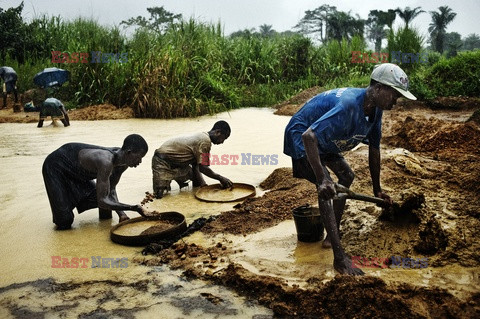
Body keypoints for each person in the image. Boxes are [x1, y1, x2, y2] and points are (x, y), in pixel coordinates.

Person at [283, 63, 417, 275]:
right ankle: (338, 257)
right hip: (301, 136)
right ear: (379, 88)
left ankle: (330, 235)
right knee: (327, 187)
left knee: (347, 175)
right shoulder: (348, 106)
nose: (396, 101)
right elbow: (309, 137)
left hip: (323, 139)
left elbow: (374, 148)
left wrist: (377, 189)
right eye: (394, 95)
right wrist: (323, 179)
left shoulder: (375, 110)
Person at [42, 134, 150, 230]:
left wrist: (122, 215)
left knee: (107, 212)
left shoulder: (123, 163)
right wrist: (134, 208)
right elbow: (102, 200)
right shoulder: (106, 162)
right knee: (64, 222)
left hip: (78, 172)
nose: (140, 162)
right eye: (139, 157)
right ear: (129, 153)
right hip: (56, 165)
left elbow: (111, 189)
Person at [152, 120, 233, 199]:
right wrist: (221, 178)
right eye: (224, 138)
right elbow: (203, 168)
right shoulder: (205, 141)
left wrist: (203, 186)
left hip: (177, 163)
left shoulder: (202, 136)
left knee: (196, 180)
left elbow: (196, 165)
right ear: (218, 132)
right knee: (159, 196)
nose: (222, 142)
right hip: (162, 162)